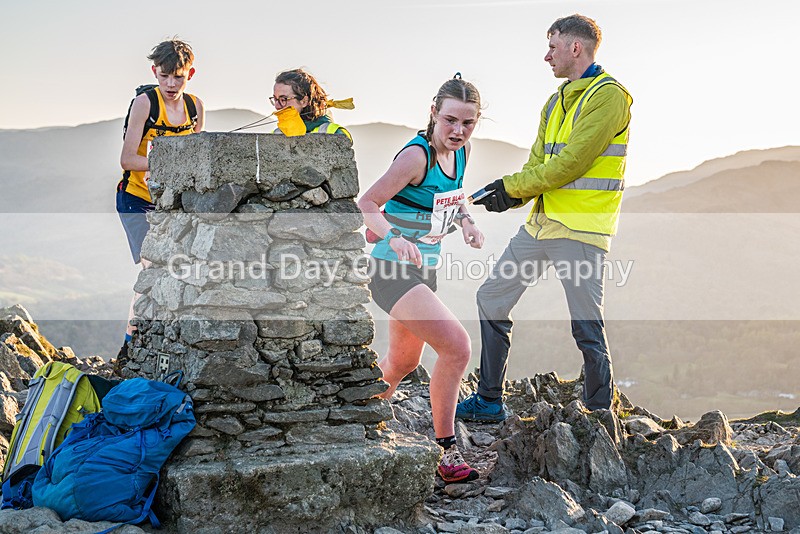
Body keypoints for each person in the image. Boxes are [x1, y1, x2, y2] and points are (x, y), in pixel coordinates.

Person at [456, 14, 633, 421]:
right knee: (492, 298)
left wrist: (511, 187)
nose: (545, 56)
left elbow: (571, 164)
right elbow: (539, 164)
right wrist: (507, 197)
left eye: (552, 46)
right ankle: (488, 402)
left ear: (576, 47)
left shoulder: (610, 97)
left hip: (582, 229)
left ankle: (599, 414)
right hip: (540, 225)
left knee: (586, 325)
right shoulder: (555, 101)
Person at [358, 75, 485, 484]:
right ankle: (447, 452)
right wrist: (393, 238)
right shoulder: (417, 157)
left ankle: (358, 421)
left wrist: (466, 222)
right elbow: (367, 203)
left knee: (402, 362)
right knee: (457, 347)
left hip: (423, 267)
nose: (458, 131)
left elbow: (454, 197)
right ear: (433, 113)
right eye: (450, 120)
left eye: (468, 123)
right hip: (391, 268)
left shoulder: (459, 154)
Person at [116, 39, 205, 358]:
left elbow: (196, 159)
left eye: (178, 76)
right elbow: (127, 160)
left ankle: (170, 337)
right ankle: (132, 341)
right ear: (155, 71)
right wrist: (165, 161)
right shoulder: (145, 103)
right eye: (165, 75)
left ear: (190, 74)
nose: (171, 83)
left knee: (180, 267)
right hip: (136, 198)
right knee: (151, 266)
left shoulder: (194, 107)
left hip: (172, 202)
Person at [270, 68, 353, 140]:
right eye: (275, 99)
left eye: (283, 99)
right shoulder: (276, 134)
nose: (277, 106)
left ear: (304, 101)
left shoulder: (333, 133)